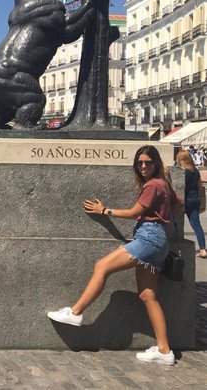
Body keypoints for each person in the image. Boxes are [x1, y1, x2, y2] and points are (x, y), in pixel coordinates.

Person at [47, 145, 175, 365]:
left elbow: (135, 212)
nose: (143, 166)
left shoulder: (153, 185)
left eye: (148, 163)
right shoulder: (164, 184)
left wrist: (105, 211)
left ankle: (76, 312)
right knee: (147, 296)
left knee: (102, 266)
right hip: (159, 241)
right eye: (140, 163)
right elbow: (180, 205)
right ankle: (165, 350)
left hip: (148, 239)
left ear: (156, 164)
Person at [176, 150, 207, 258]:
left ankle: (178, 248)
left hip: (185, 200)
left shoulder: (182, 172)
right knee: (196, 225)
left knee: (178, 224)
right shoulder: (195, 171)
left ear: (180, 159)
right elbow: (199, 186)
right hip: (195, 199)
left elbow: (180, 188)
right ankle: (203, 249)